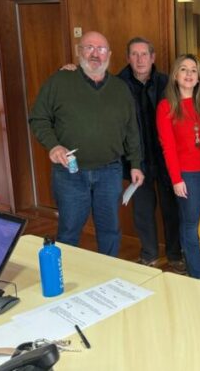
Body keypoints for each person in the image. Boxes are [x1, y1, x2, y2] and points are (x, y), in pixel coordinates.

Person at [29, 31, 143, 256]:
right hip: (70, 173)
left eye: (101, 49)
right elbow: (38, 117)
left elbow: (131, 129)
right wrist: (53, 145)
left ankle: (108, 272)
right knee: (69, 231)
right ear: (78, 51)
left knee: (110, 230)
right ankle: (66, 272)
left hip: (109, 171)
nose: (95, 54)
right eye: (89, 47)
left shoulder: (120, 89)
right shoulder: (60, 81)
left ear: (109, 54)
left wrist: (136, 164)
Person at [117, 37, 185, 272]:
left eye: (144, 54)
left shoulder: (167, 82)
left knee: (172, 209)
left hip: (167, 159)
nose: (140, 59)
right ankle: (149, 255)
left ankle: (175, 255)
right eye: (134, 54)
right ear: (128, 58)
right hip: (136, 160)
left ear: (152, 57)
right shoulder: (118, 84)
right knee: (143, 211)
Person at [156, 54, 200, 280]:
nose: (189, 74)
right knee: (190, 225)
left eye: (193, 70)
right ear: (175, 75)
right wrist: (176, 179)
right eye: (183, 69)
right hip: (187, 175)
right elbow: (168, 147)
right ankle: (198, 274)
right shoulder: (166, 106)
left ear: (199, 76)